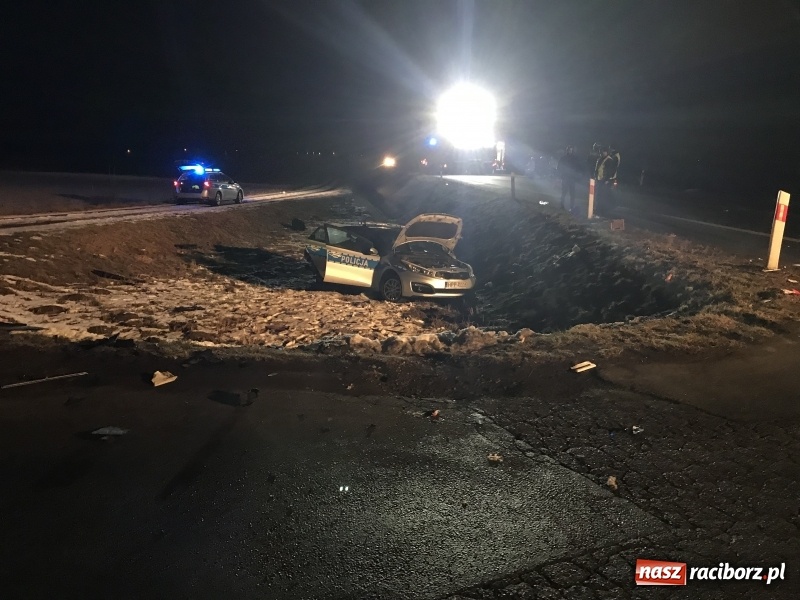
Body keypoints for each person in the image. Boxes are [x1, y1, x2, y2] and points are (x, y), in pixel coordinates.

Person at [557, 145, 582, 212]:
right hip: (565, 177)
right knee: (564, 192)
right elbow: (559, 167)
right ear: (567, 150)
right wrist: (561, 175)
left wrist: (576, 175)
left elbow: (577, 167)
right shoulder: (563, 158)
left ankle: (571, 206)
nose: (570, 151)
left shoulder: (574, 159)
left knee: (572, 193)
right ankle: (562, 205)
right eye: (569, 150)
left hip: (572, 178)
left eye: (571, 150)